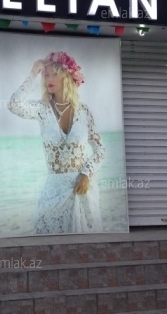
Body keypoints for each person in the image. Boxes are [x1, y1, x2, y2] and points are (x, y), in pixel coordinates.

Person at [8, 51, 105, 234]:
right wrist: (33, 73)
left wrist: (86, 174)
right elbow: (14, 104)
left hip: (82, 190)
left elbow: (100, 150)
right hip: (53, 193)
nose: (49, 79)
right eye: (46, 75)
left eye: (55, 74)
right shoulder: (42, 109)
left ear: (67, 76)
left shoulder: (84, 112)